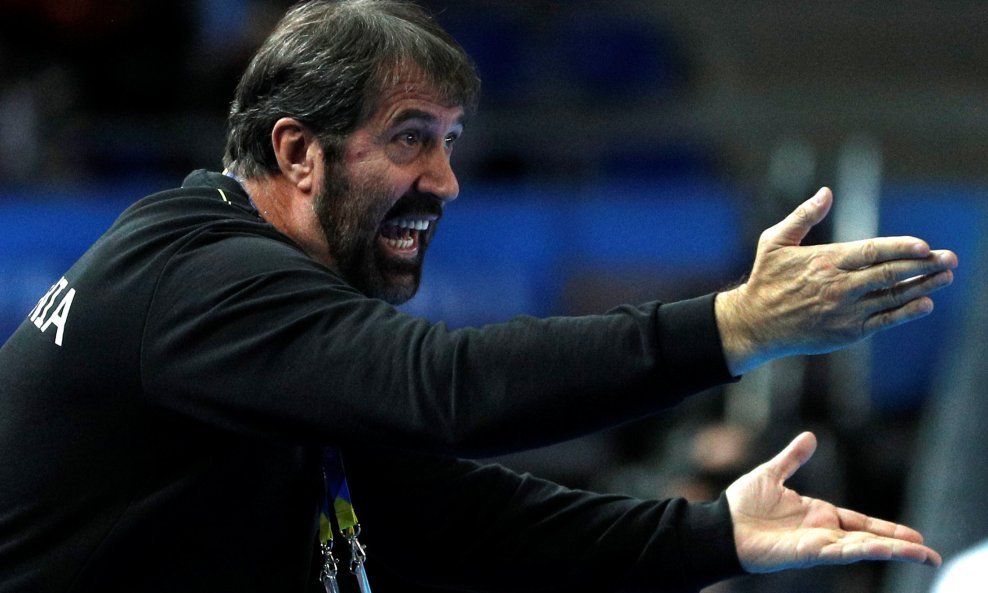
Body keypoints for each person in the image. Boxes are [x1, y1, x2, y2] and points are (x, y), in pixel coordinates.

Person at [0, 1, 954, 591]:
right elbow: (446, 390)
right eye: (411, 138)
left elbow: (446, 517)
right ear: (298, 152)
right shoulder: (197, 273)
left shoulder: (243, 326)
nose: (447, 181)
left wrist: (713, 536)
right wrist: (732, 326)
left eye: (452, 141)